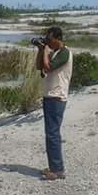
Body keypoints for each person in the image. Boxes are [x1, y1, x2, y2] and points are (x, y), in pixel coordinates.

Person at [35, 26, 73, 181]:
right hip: (50, 95)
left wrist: (45, 50)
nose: (48, 42)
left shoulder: (65, 53)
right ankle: (54, 167)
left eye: (50, 39)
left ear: (58, 38)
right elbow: (40, 66)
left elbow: (49, 68)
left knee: (53, 134)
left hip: (57, 97)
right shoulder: (54, 53)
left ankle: (58, 170)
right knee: (51, 134)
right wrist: (40, 50)